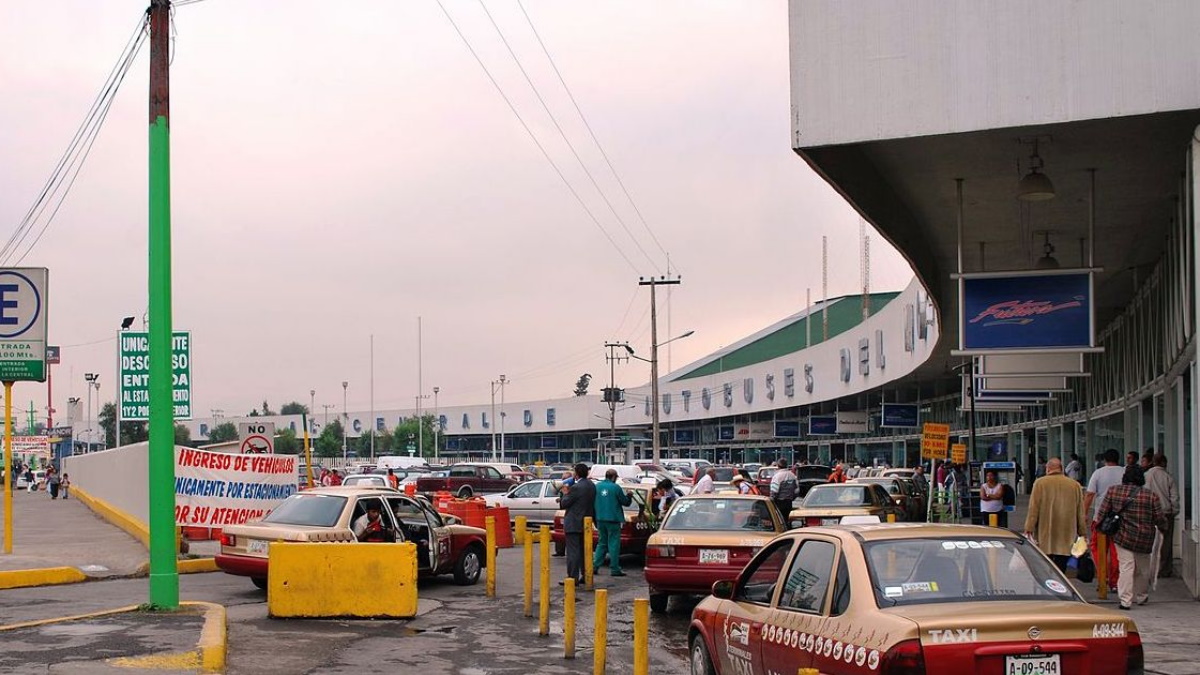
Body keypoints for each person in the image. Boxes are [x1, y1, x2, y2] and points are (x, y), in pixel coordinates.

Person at [1094, 464, 1165, 610]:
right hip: (1145, 537)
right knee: (1143, 568)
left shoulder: (1114, 491)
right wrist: (1164, 527)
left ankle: (1125, 600)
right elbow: (1159, 518)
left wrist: (1099, 526)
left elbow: (1102, 512)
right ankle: (1142, 595)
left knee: (1126, 566)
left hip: (1123, 535)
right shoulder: (1151, 496)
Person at [1023, 458, 1087, 571]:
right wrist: (1082, 533)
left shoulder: (1040, 483)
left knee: (1045, 567)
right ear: (1062, 469)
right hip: (1066, 535)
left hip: (1045, 535)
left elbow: (1033, 509)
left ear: (1048, 469)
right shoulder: (1075, 485)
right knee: (1061, 569)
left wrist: (1029, 528)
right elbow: (1080, 513)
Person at [1086, 449, 1126, 591]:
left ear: (1104, 459)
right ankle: (1115, 581)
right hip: (1120, 519)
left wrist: (1084, 514)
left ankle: (1104, 576)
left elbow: (1090, 494)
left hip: (1101, 518)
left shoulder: (1098, 473)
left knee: (1097, 548)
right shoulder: (1124, 472)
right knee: (1117, 551)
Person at [558, 463, 595, 585]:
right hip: (586, 522)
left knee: (573, 552)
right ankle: (586, 575)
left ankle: (572, 578)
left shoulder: (576, 487)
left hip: (573, 523)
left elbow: (564, 504)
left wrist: (564, 493)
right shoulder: (591, 485)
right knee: (585, 551)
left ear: (577, 473)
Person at [1144, 453, 1179, 579]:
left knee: (1150, 541)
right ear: (1164, 463)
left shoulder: (1147, 475)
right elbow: (1174, 497)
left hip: (1149, 512)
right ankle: (1164, 569)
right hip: (1166, 512)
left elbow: (1144, 492)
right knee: (1166, 542)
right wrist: (1174, 510)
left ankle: (1150, 568)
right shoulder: (1168, 477)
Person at [592, 469, 632, 577]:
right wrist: (629, 496)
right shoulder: (616, 488)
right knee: (613, 544)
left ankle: (595, 566)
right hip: (613, 519)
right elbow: (625, 502)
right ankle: (614, 568)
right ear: (613, 477)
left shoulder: (597, 486)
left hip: (600, 518)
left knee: (602, 543)